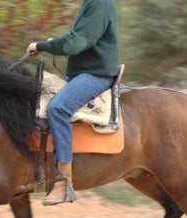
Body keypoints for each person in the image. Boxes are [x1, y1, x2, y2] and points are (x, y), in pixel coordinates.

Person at [27, 0, 120, 205]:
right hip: (82, 73)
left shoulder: (100, 3)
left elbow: (77, 43)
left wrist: (43, 45)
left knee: (57, 108)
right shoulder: (92, 3)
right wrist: (53, 44)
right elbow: (79, 40)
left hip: (96, 75)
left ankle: (64, 183)